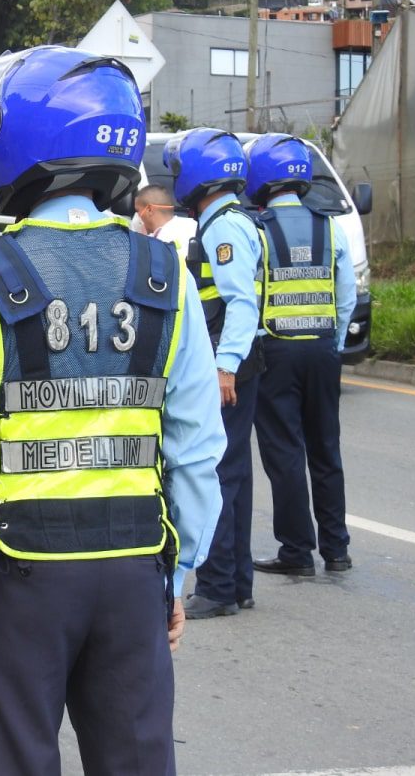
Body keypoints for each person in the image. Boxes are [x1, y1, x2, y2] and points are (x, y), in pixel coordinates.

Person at [0, 46, 225, 775]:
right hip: (137, 567)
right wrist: (180, 575)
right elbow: (199, 448)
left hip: (23, 575)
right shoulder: (164, 273)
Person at [165, 128, 266, 619]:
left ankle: (219, 587)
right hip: (238, 362)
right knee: (236, 475)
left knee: (217, 472)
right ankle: (236, 583)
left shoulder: (223, 226)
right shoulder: (230, 220)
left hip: (228, 364)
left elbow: (240, 304)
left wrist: (225, 367)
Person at [247, 134, 356, 577]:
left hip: (276, 352)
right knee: (326, 449)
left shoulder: (257, 230)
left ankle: (296, 552)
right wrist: (335, 343)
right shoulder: (331, 227)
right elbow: (345, 296)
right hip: (324, 349)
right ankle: (337, 550)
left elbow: (249, 297)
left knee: (285, 452)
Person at [133, 183, 197, 250]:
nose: (137, 216)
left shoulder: (162, 242)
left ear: (149, 210)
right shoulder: (194, 226)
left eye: (138, 211)